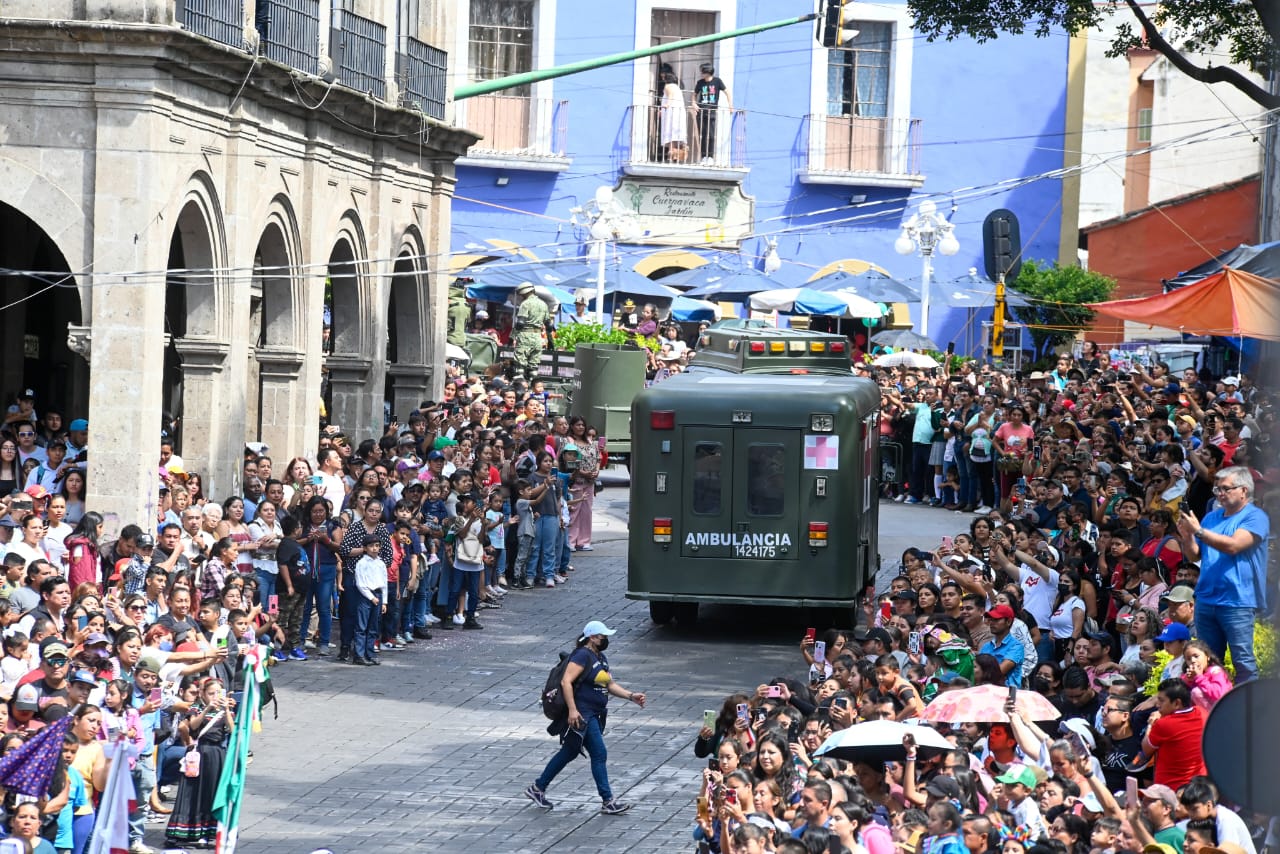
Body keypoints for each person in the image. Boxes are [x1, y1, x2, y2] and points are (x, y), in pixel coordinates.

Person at [524, 620, 645, 815]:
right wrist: (572, 710)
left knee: (570, 752)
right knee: (599, 753)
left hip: (593, 713)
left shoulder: (601, 658)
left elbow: (609, 685)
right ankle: (608, 800)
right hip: (582, 713)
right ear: (591, 637)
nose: (605, 639)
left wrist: (631, 696)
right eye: (602, 636)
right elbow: (566, 681)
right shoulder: (582, 655)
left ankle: (537, 788)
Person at [1176, 467, 1269, 682]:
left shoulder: (1255, 517)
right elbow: (1195, 555)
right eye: (1217, 489)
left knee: (1243, 662)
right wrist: (1188, 536)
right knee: (1207, 661)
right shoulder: (1211, 518)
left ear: (1244, 490)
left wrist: (1198, 531)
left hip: (1237, 600)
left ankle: (1248, 709)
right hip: (1207, 598)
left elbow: (1234, 546)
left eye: (1225, 488)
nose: (1219, 493)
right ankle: (1212, 705)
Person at [692, 62, 730, 164]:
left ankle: (710, 157)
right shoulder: (700, 83)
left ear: (708, 72)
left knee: (711, 135)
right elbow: (694, 95)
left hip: (712, 112)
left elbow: (727, 92)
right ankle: (704, 157)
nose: (701, 74)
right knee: (702, 135)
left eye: (703, 72)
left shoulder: (717, 81)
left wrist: (731, 106)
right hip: (701, 112)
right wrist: (694, 104)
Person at [512, 282, 550, 381]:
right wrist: (550, 341)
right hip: (537, 337)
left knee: (520, 365)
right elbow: (549, 325)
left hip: (525, 335)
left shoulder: (525, 304)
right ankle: (533, 382)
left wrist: (512, 336)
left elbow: (520, 323)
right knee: (534, 365)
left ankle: (519, 382)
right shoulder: (543, 304)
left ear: (524, 293)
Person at [658, 71, 689, 162]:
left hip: (670, 112)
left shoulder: (668, 86)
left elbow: (670, 96)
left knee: (670, 131)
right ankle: (677, 155)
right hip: (679, 112)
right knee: (676, 132)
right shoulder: (677, 87)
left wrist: (666, 105)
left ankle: (671, 155)